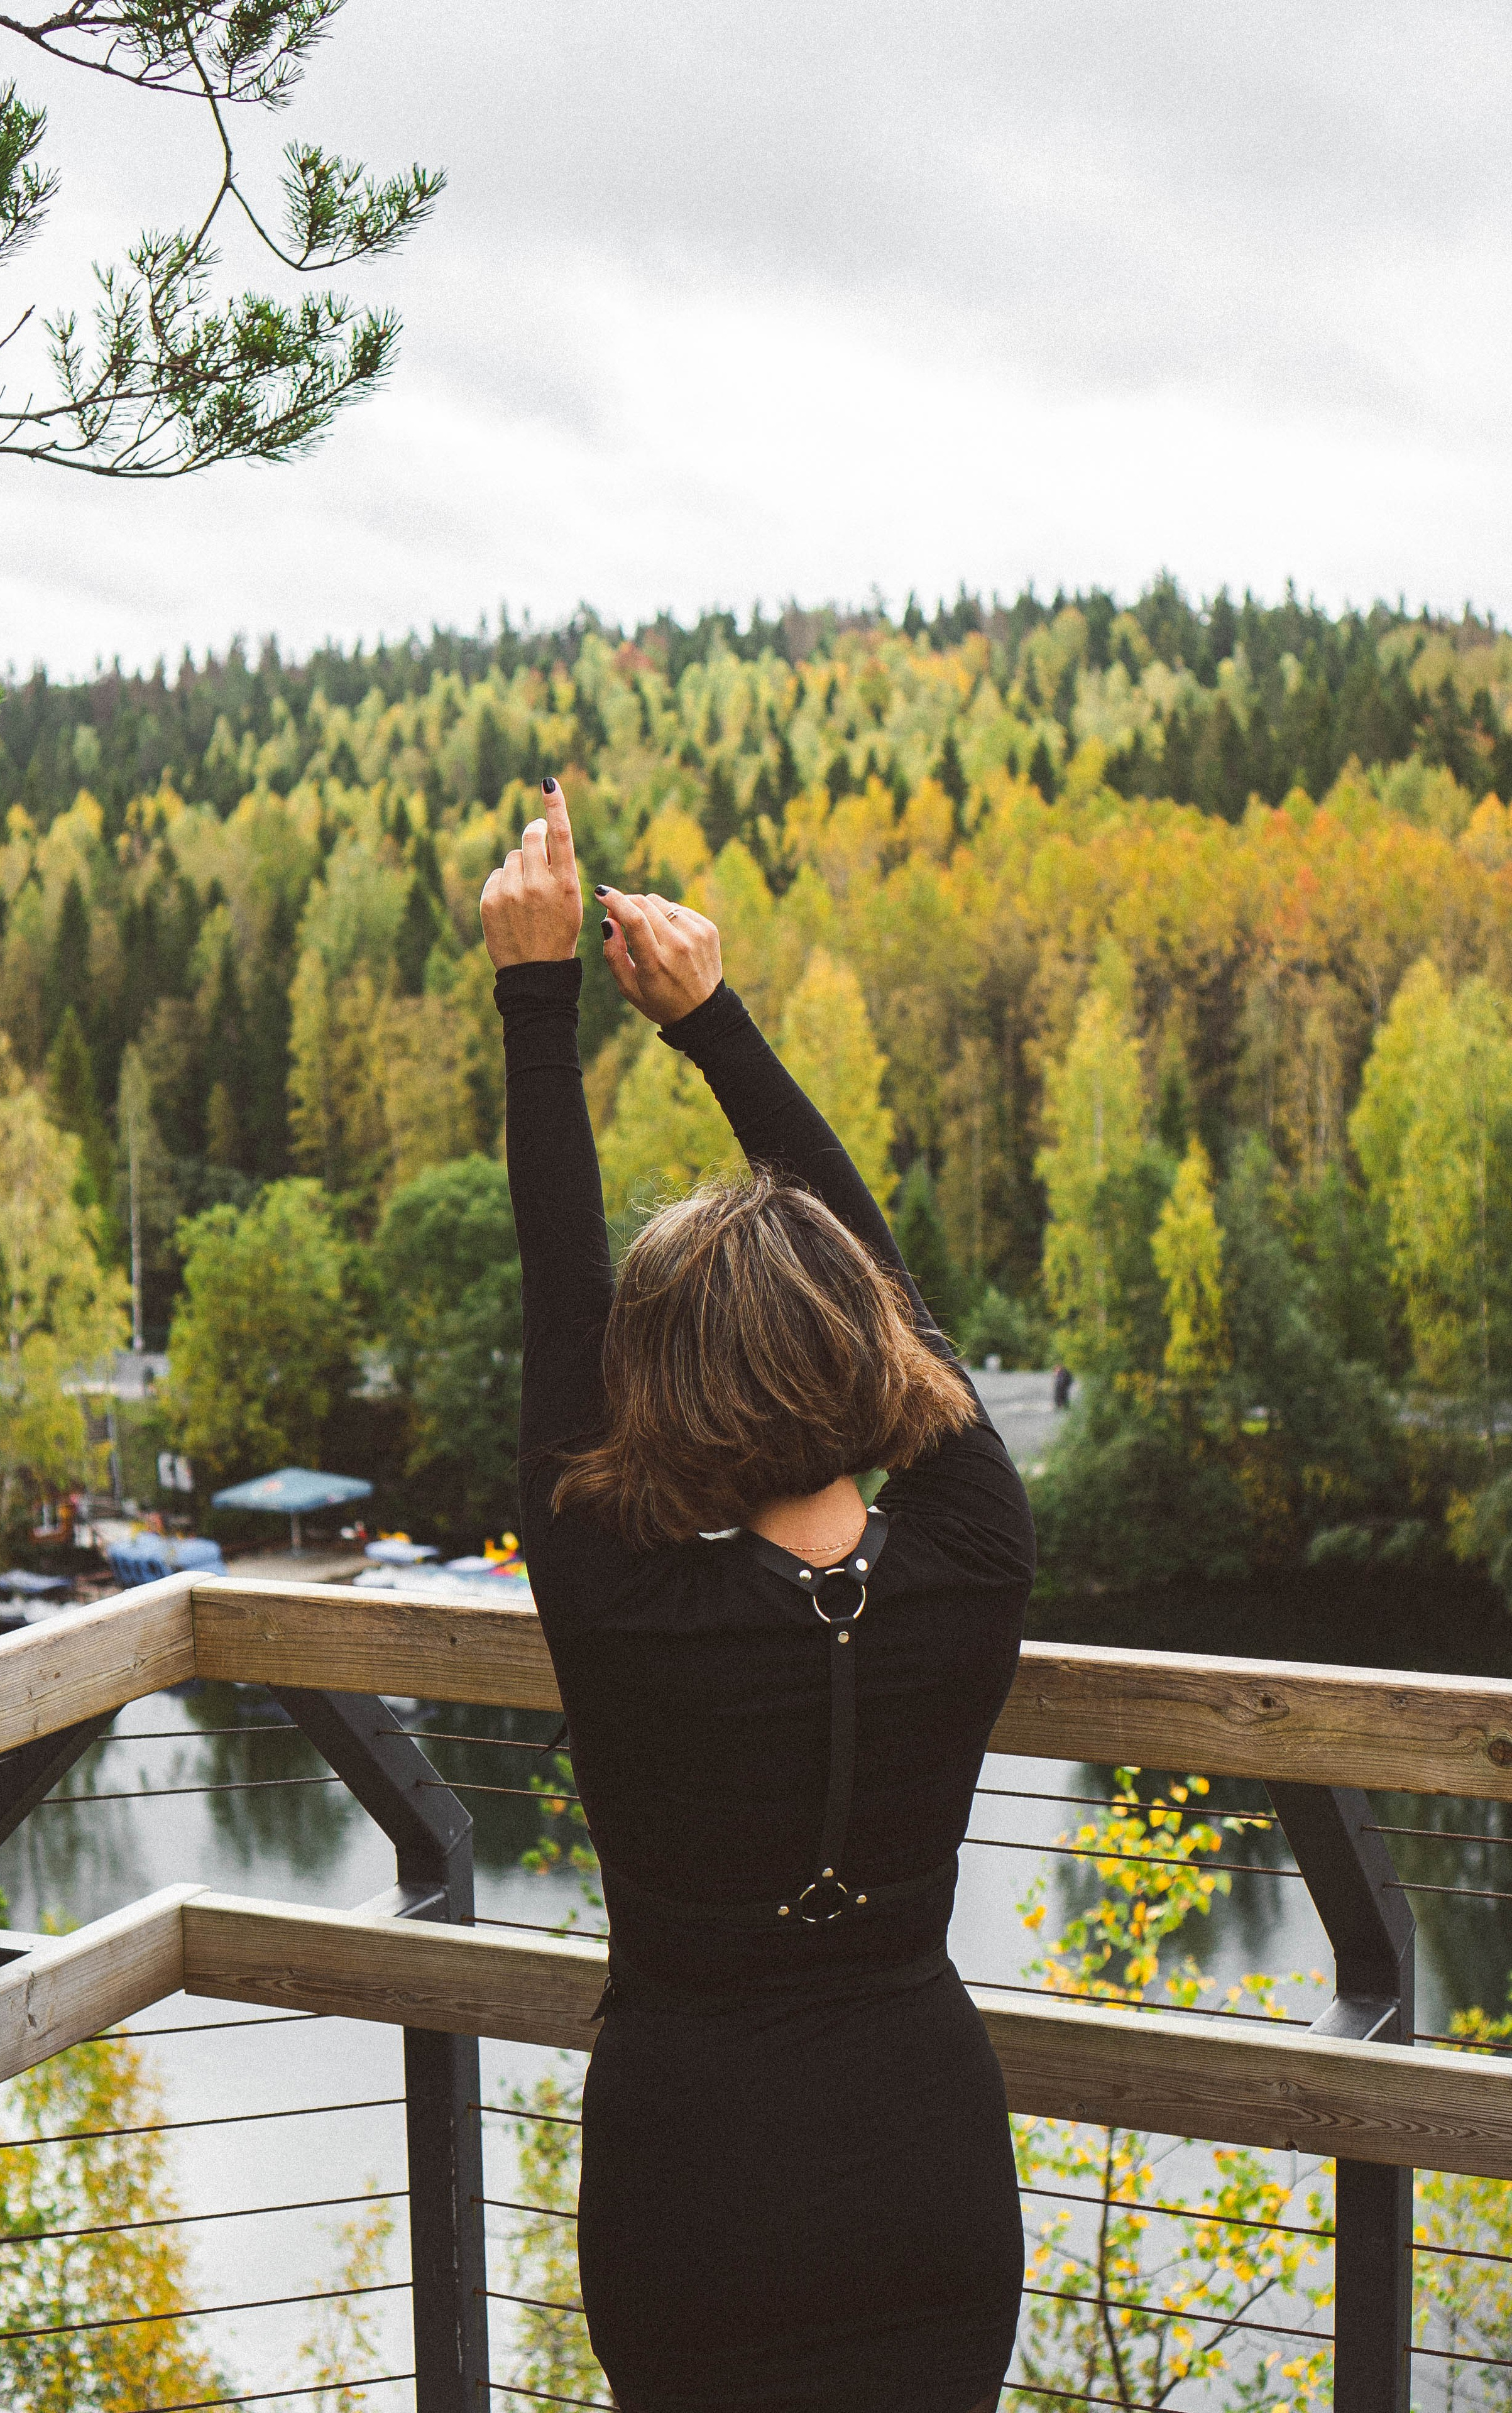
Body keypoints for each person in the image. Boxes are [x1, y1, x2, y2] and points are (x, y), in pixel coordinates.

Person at [481, 780, 1035, 2413]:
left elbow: (556, 1297)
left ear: (647, 1383)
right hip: (930, 2177)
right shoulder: (974, 1559)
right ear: (868, 1337)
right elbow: (900, 1313)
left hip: (694, 2190)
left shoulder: (628, 1612)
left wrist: (538, 999)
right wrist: (713, 1022)